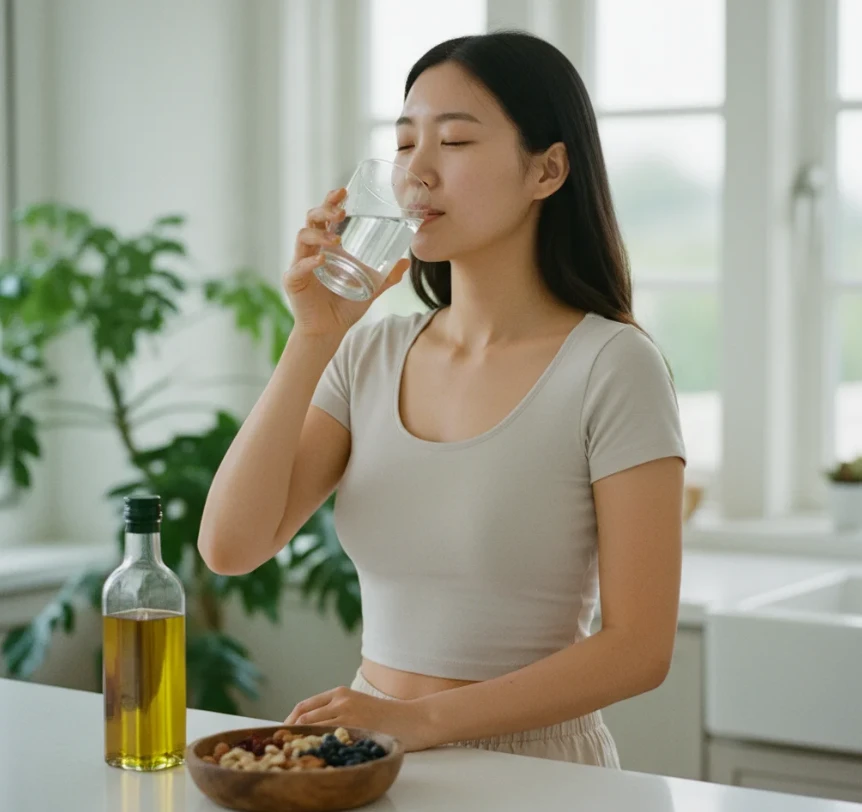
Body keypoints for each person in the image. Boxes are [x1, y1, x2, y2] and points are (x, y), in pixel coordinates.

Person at [198, 31, 686, 768]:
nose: (416, 172)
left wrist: (421, 719)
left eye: (454, 142)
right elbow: (231, 546)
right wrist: (312, 337)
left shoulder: (614, 366)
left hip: (539, 771)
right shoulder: (368, 352)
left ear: (548, 170)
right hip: (372, 759)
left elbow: (639, 651)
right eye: (402, 145)